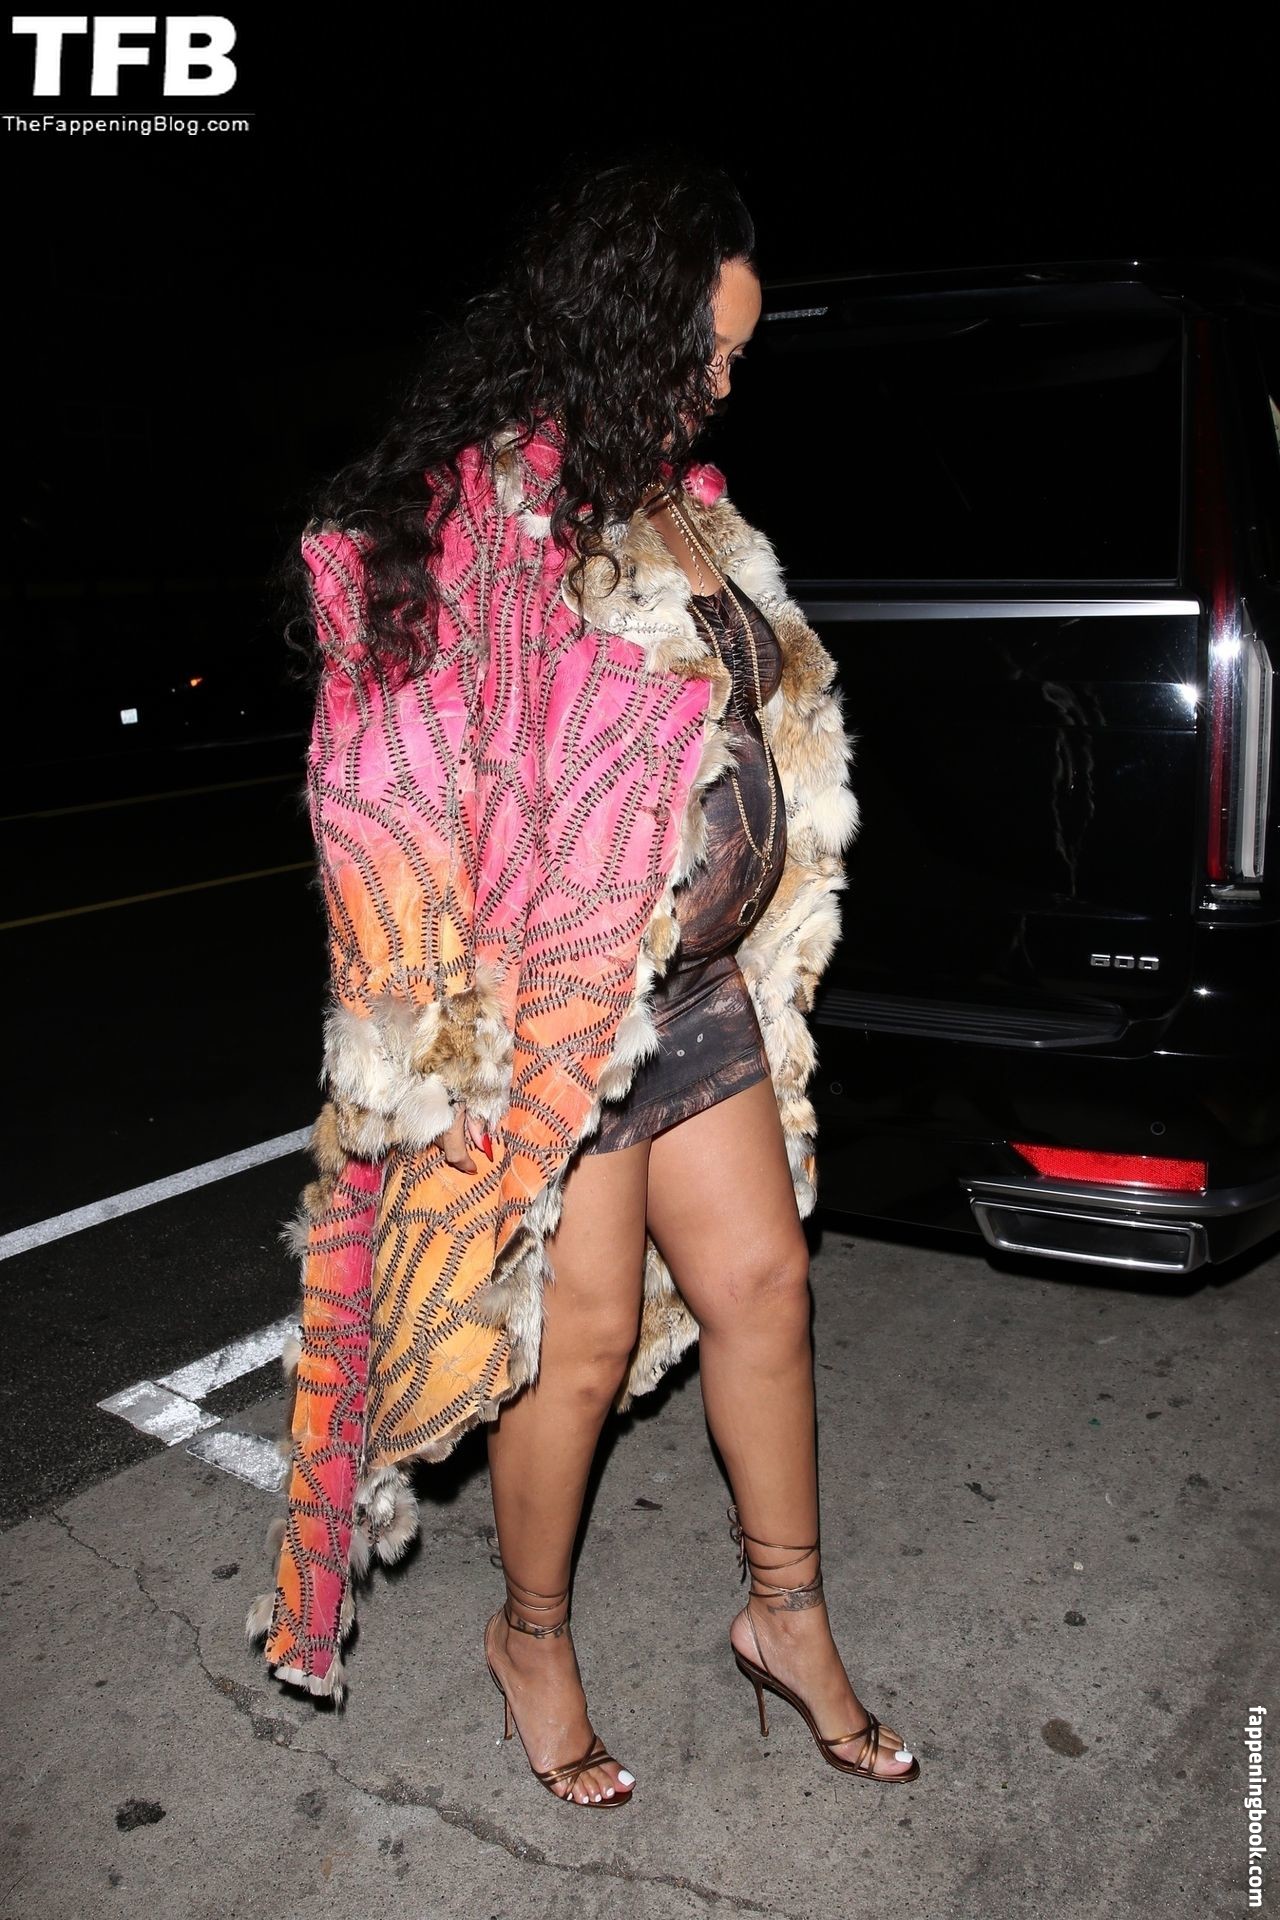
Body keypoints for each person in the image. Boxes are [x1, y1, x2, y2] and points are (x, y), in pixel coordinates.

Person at [247, 146, 920, 1806]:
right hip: (569, 1014)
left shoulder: (678, 496)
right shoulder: (488, 513)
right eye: (709, 351)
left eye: (737, 357)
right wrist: (443, 1046)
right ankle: (531, 1636)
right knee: (587, 1333)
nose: (726, 381)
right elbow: (389, 781)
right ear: (628, 327)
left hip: (700, 993)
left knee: (767, 1284)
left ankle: (787, 1616)